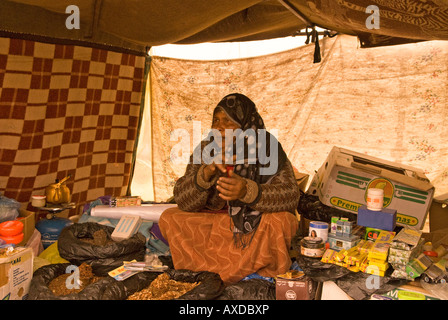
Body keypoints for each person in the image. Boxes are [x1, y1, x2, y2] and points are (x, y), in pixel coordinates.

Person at [159, 93, 300, 284]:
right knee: (170, 217)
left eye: (228, 121)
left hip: (252, 224)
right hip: (215, 220)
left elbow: (291, 196)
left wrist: (247, 191)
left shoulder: (267, 148)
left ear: (245, 125)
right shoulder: (205, 149)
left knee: (281, 221)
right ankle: (204, 274)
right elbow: (182, 201)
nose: (219, 127)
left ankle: (260, 274)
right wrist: (205, 173)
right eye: (216, 120)